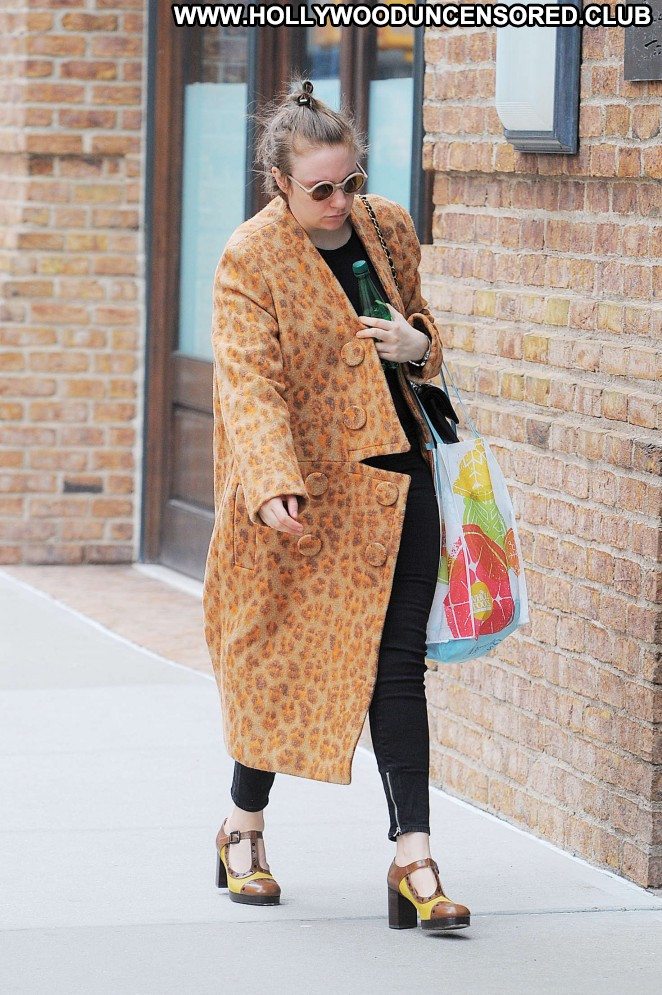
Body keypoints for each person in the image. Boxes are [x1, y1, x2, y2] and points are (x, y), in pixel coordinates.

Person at [202, 78, 470, 932]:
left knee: (397, 665)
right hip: (305, 494)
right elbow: (249, 382)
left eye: (350, 181)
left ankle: (414, 858)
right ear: (279, 181)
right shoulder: (252, 256)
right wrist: (270, 479)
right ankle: (243, 826)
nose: (340, 201)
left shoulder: (386, 226)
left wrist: (418, 343)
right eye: (320, 188)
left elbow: (421, 326)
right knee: (280, 658)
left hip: (399, 480)